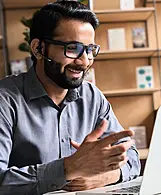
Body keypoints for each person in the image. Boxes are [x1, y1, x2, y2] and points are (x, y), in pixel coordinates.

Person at [0, 1, 141, 195]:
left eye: (90, 50)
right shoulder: (5, 100)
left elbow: (131, 157)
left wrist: (103, 177)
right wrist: (68, 169)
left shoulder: (92, 97)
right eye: (73, 48)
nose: (84, 61)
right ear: (38, 48)